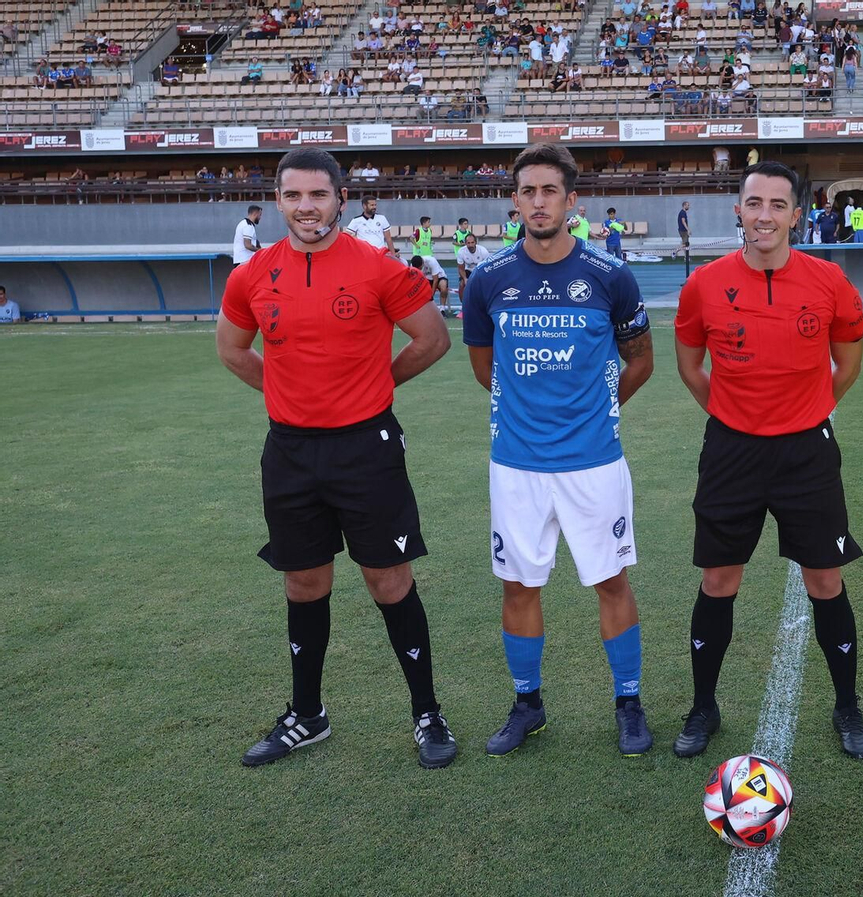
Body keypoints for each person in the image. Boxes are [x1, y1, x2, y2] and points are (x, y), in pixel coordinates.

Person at [216, 148, 456, 769]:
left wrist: (377, 386)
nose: (306, 208)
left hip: (365, 446)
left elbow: (432, 339)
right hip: (290, 451)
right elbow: (233, 349)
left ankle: (427, 713)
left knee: (388, 580)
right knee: (304, 580)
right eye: (293, 196)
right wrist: (284, 393)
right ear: (277, 201)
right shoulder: (252, 274)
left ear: (341, 200)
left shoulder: (378, 266)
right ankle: (307, 714)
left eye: (317, 195)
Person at [671, 160, 863, 761]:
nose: (764, 216)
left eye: (777, 205)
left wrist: (809, 412)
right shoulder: (703, 284)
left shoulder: (829, 283)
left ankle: (847, 706)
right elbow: (689, 366)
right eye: (754, 203)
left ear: (797, 213)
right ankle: (703, 706)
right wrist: (734, 415)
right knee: (718, 579)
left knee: (826, 580)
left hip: (807, 452)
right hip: (731, 451)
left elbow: (849, 362)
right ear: (739, 209)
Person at [461, 144, 657, 759]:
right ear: (514, 201)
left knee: (610, 579)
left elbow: (642, 360)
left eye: (551, 191)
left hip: (594, 462)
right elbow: (485, 368)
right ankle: (528, 704)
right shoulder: (490, 279)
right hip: (516, 464)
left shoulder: (608, 275)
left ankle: (628, 703)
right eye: (528, 191)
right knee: (518, 585)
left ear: (573, 202)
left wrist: (598, 407)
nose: (539, 202)